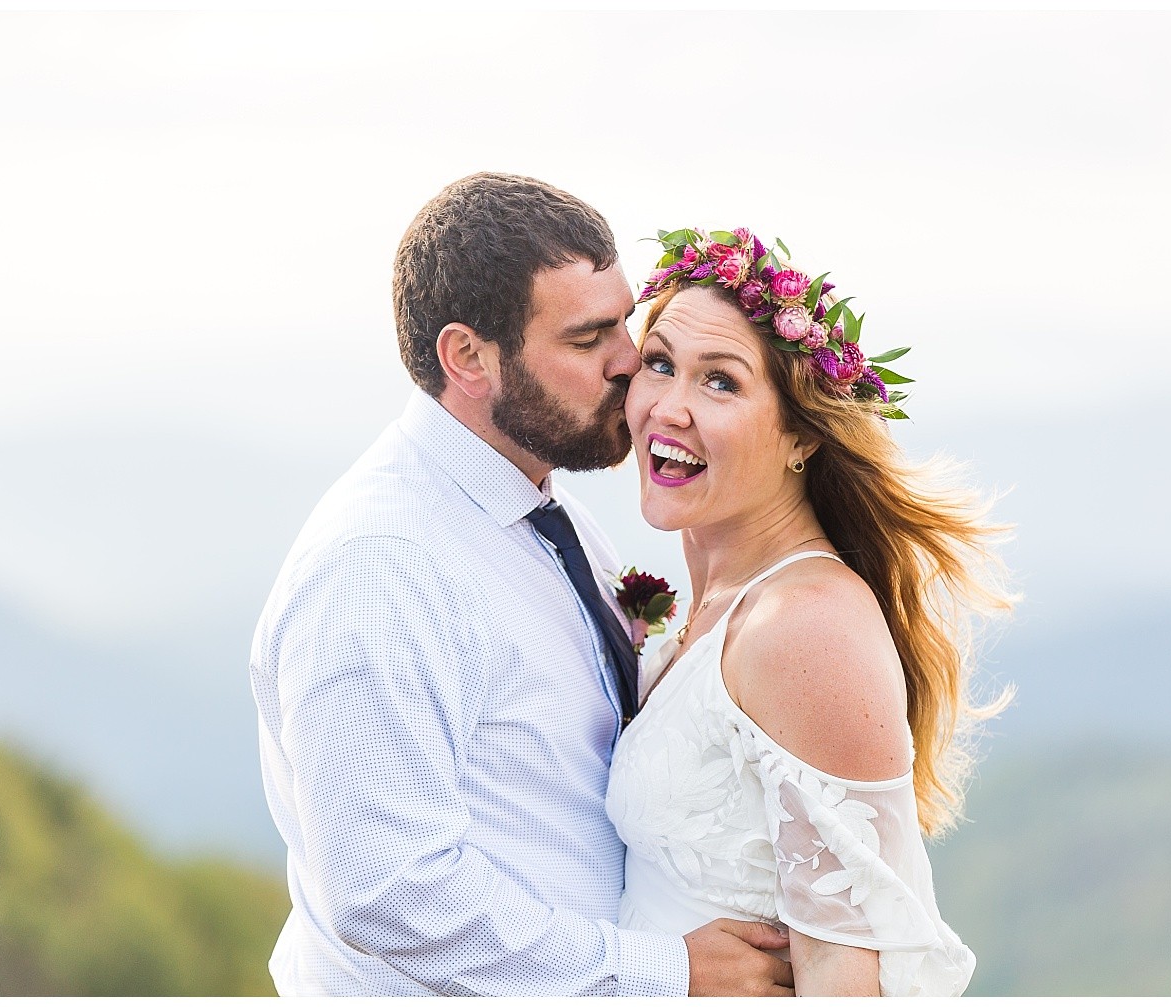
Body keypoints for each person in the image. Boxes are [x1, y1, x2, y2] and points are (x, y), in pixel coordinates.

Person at [249, 178, 794, 996]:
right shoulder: (377, 568)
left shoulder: (545, 509)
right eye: (587, 339)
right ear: (469, 358)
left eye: (624, 323)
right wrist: (666, 970)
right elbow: (390, 890)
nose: (627, 361)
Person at [604, 227, 1014, 996]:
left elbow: (842, 969)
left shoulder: (805, 626)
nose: (670, 406)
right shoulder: (718, 606)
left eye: (719, 382)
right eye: (658, 363)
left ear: (799, 435)